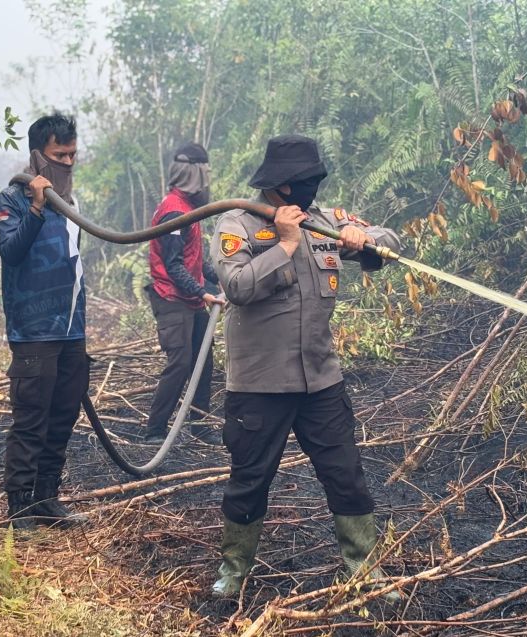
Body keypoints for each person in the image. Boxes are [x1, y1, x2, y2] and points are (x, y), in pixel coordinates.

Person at [208, 135, 403, 599]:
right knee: (250, 480)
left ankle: (364, 570)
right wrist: (286, 246)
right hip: (259, 386)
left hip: (321, 380)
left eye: (317, 180)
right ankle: (232, 573)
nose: (312, 188)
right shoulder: (236, 224)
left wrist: (366, 238)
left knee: (346, 473)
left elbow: (391, 241)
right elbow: (236, 286)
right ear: (282, 184)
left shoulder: (327, 221)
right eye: (305, 182)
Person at [0, 113, 88, 530]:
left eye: (71, 154)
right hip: (33, 331)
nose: (67, 162)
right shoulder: (10, 199)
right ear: (37, 156)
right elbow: (12, 252)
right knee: (31, 417)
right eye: (58, 155)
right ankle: (19, 506)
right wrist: (36, 204)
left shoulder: (73, 205)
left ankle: (47, 498)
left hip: (72, 328)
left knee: (63, 415)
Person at [144, 142, 224, 445]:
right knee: (180, 363)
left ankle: (199, 428)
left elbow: (194, 260)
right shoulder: (173, 211)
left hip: (189, 298)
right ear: (196, 174)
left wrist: (225, 278)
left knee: (204, 362)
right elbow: (173, 265)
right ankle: (155, 431)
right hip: (171, 299)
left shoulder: (188, 208)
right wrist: (203, 292)